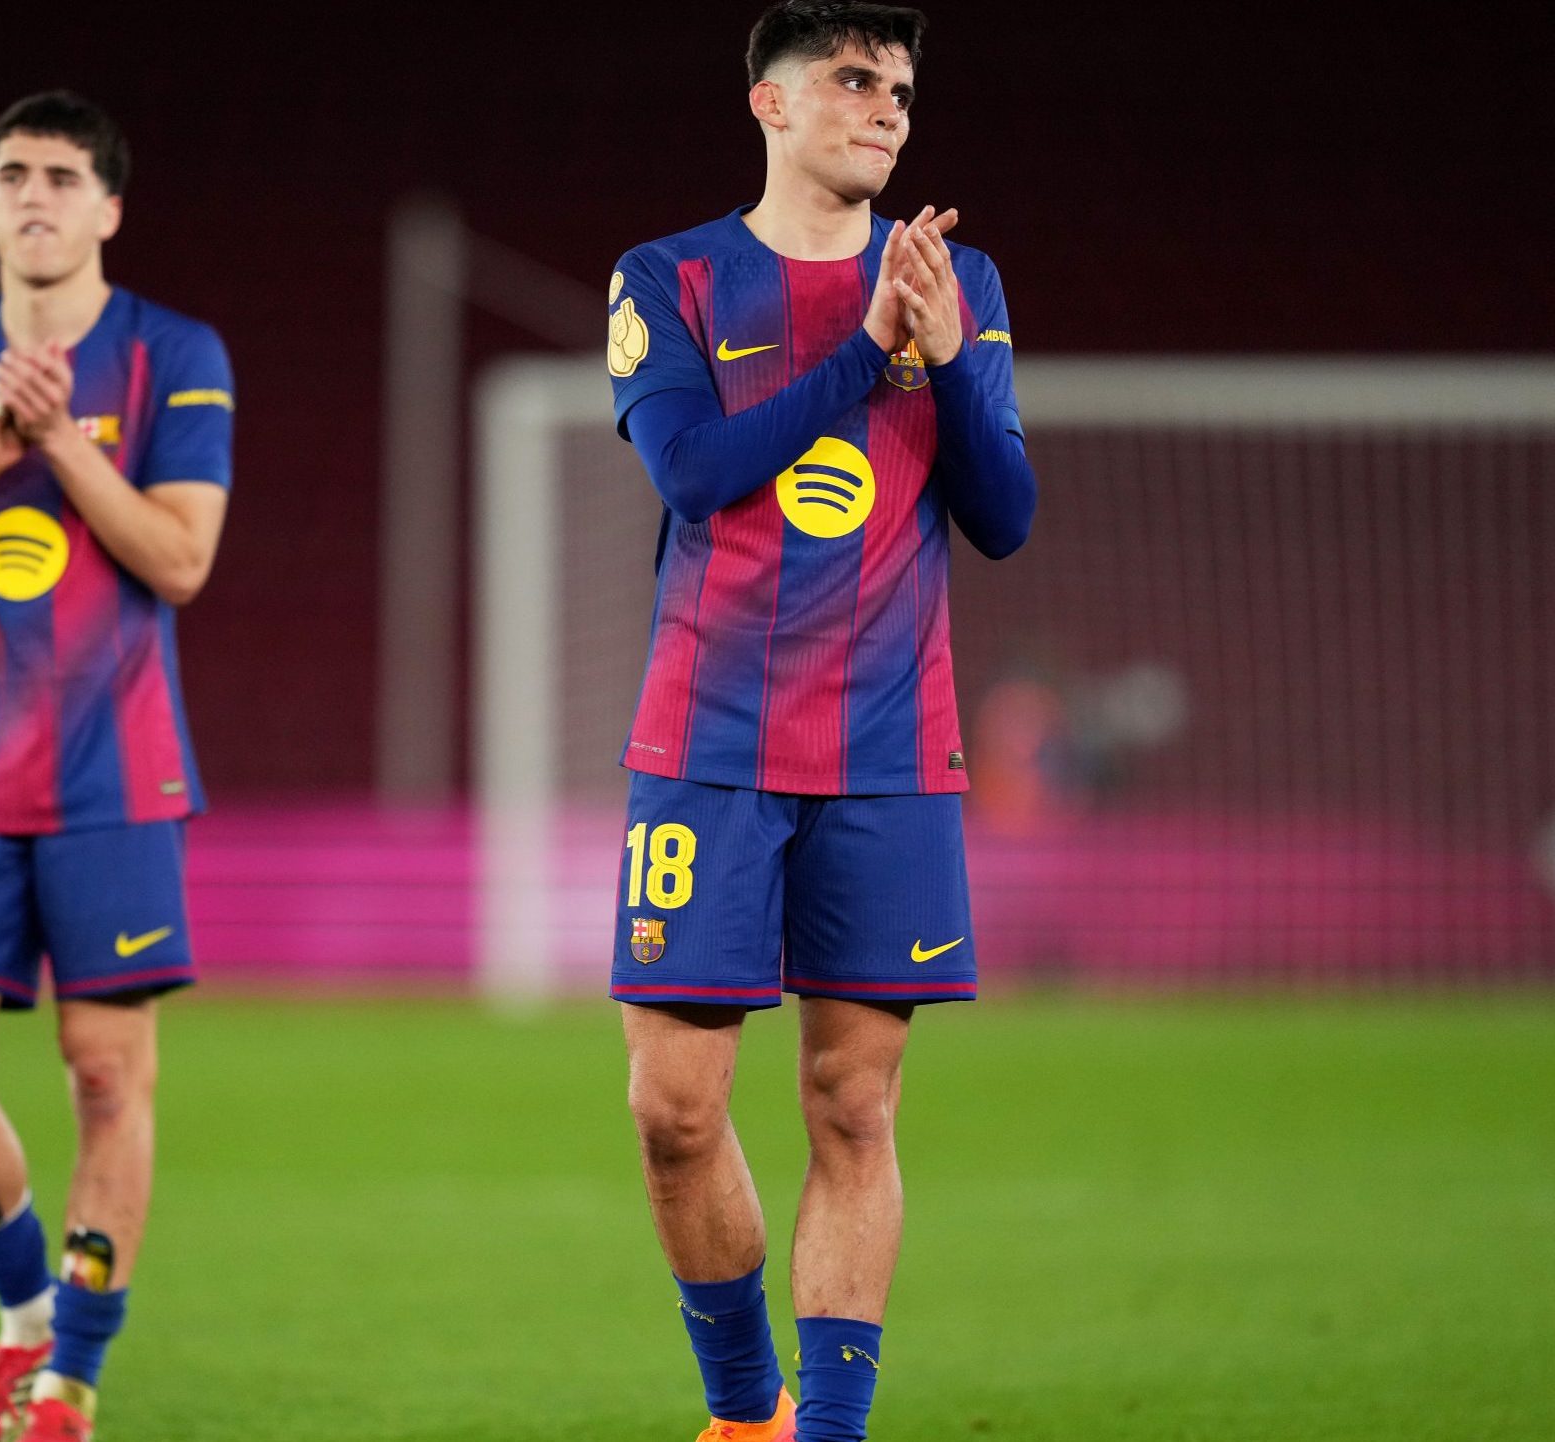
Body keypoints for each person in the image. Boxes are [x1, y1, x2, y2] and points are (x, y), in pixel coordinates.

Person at [601, 3, 1036, 1437]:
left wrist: (950, 355)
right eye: (854, 79)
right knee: (673, 1109)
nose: (887, 106)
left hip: (888, 754)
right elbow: (694, 470)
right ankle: (747, 1410)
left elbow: (1004, 517)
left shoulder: (959, 280)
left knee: (855, 1107)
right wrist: (867, 352)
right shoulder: (668, 277)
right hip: (708, 744)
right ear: (772, 104)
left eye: (900, 86)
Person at [0, 90, 233, 1442]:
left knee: (106, 1077)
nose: (35, 196)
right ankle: (24, 1321)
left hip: (115, 776)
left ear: (109, 208)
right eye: (12, 174)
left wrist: (62, 440)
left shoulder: (174, 357)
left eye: (63, 178)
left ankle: (70, 1380)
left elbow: (182, 560)